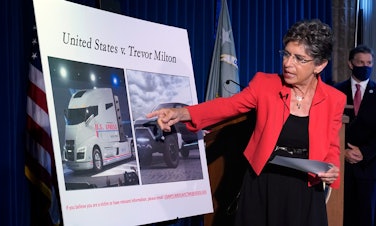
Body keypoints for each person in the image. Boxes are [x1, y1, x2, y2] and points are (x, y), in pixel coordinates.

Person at [147, 19, 346, 226]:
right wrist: (181, 113)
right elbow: (227, 106)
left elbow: (331, 144)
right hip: (263, 181)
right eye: (286, 54)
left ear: (320, 65)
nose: (288, 63)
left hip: (303, 189)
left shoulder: (334, 99)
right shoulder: (265, 84)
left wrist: (330, 167)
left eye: (299, 58)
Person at [334, 45, 376, 226]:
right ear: (351, 64)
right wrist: (342, 150)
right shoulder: (336, 91)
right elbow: (329, 127)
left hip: (369, 167)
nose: (365, 67)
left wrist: (365, 152)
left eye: (369, 63)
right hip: (342, 167)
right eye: (360, 63)